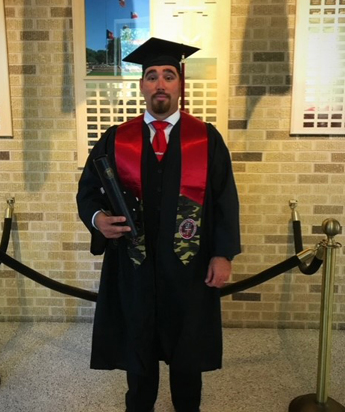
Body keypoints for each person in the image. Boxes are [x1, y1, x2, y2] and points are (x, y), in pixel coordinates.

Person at [77, 37, 241, 412]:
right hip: (134, 267)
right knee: (139, 346)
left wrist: (223, 253)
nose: (160, 84)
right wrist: (97, 218)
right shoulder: (117, 139)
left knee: (187, 351)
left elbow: (224, 200)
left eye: (169, 75)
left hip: (190, 265)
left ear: (180, 84)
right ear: (142, 86)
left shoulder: (206, 138)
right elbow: (89, 193)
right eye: (152, 76)